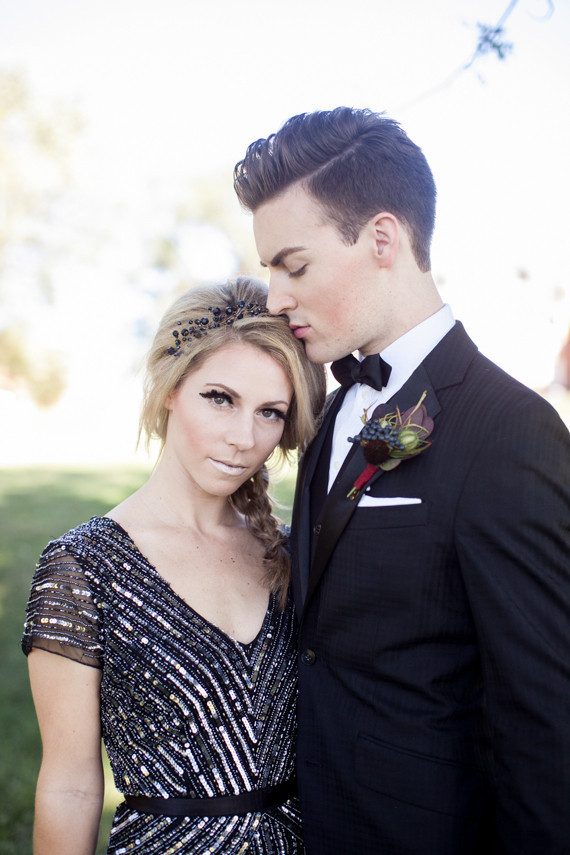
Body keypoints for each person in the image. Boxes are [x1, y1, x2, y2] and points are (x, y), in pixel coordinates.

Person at [233, 108, 570, 854]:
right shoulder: (331, 411)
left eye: (294, 266)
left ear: (382, 238)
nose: (275, 297)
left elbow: (546, 719)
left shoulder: (509, 430)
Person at [22, 277, 327, 855]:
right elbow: (70, 785)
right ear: (169, 388)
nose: (243, 438)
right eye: (220, 398)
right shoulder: (83, 567)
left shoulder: (293, 556)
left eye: (270, 412)